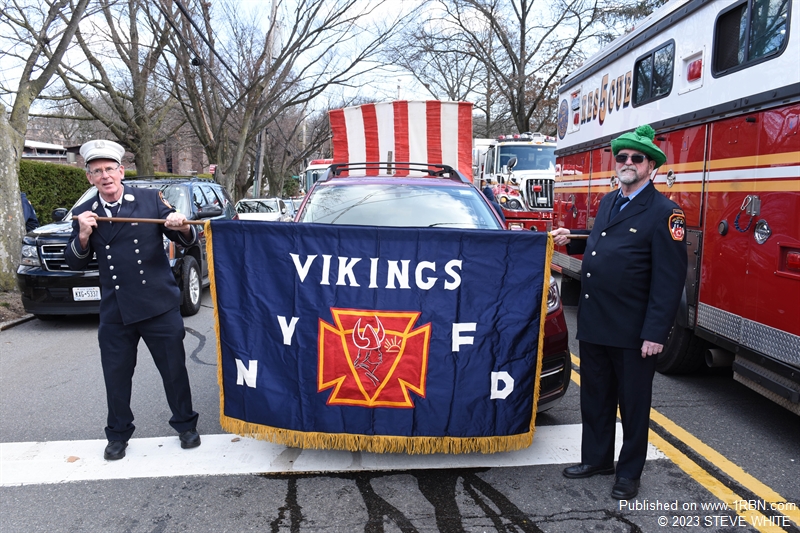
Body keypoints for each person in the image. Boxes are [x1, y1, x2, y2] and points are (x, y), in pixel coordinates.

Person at [551, 124, 687, 500]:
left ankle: (628, 473)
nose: (627, 163)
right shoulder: (611, 200)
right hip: (596, 321)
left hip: (633, 330)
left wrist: (656, 333)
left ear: (651, 167)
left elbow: (669, 280)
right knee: (594, 397)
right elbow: (604, 239)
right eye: (622, 157)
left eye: (636, 158)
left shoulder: (665, 213)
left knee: (633, 404)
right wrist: (574, 236)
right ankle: (596, 459)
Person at [65, 139, 201, 461]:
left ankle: (185, 425)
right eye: (97, 171)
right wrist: (83, 235)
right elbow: (75, 263)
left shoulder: (148, 199)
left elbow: (187, 235)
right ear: (90, 178)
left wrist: (179, 225)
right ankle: (118, 434)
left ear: (121, 171)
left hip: (158, 305)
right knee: (116, 375)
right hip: (116, 309)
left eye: (109, 169)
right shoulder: (85, 214)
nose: (105, 176)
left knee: (174, 370)